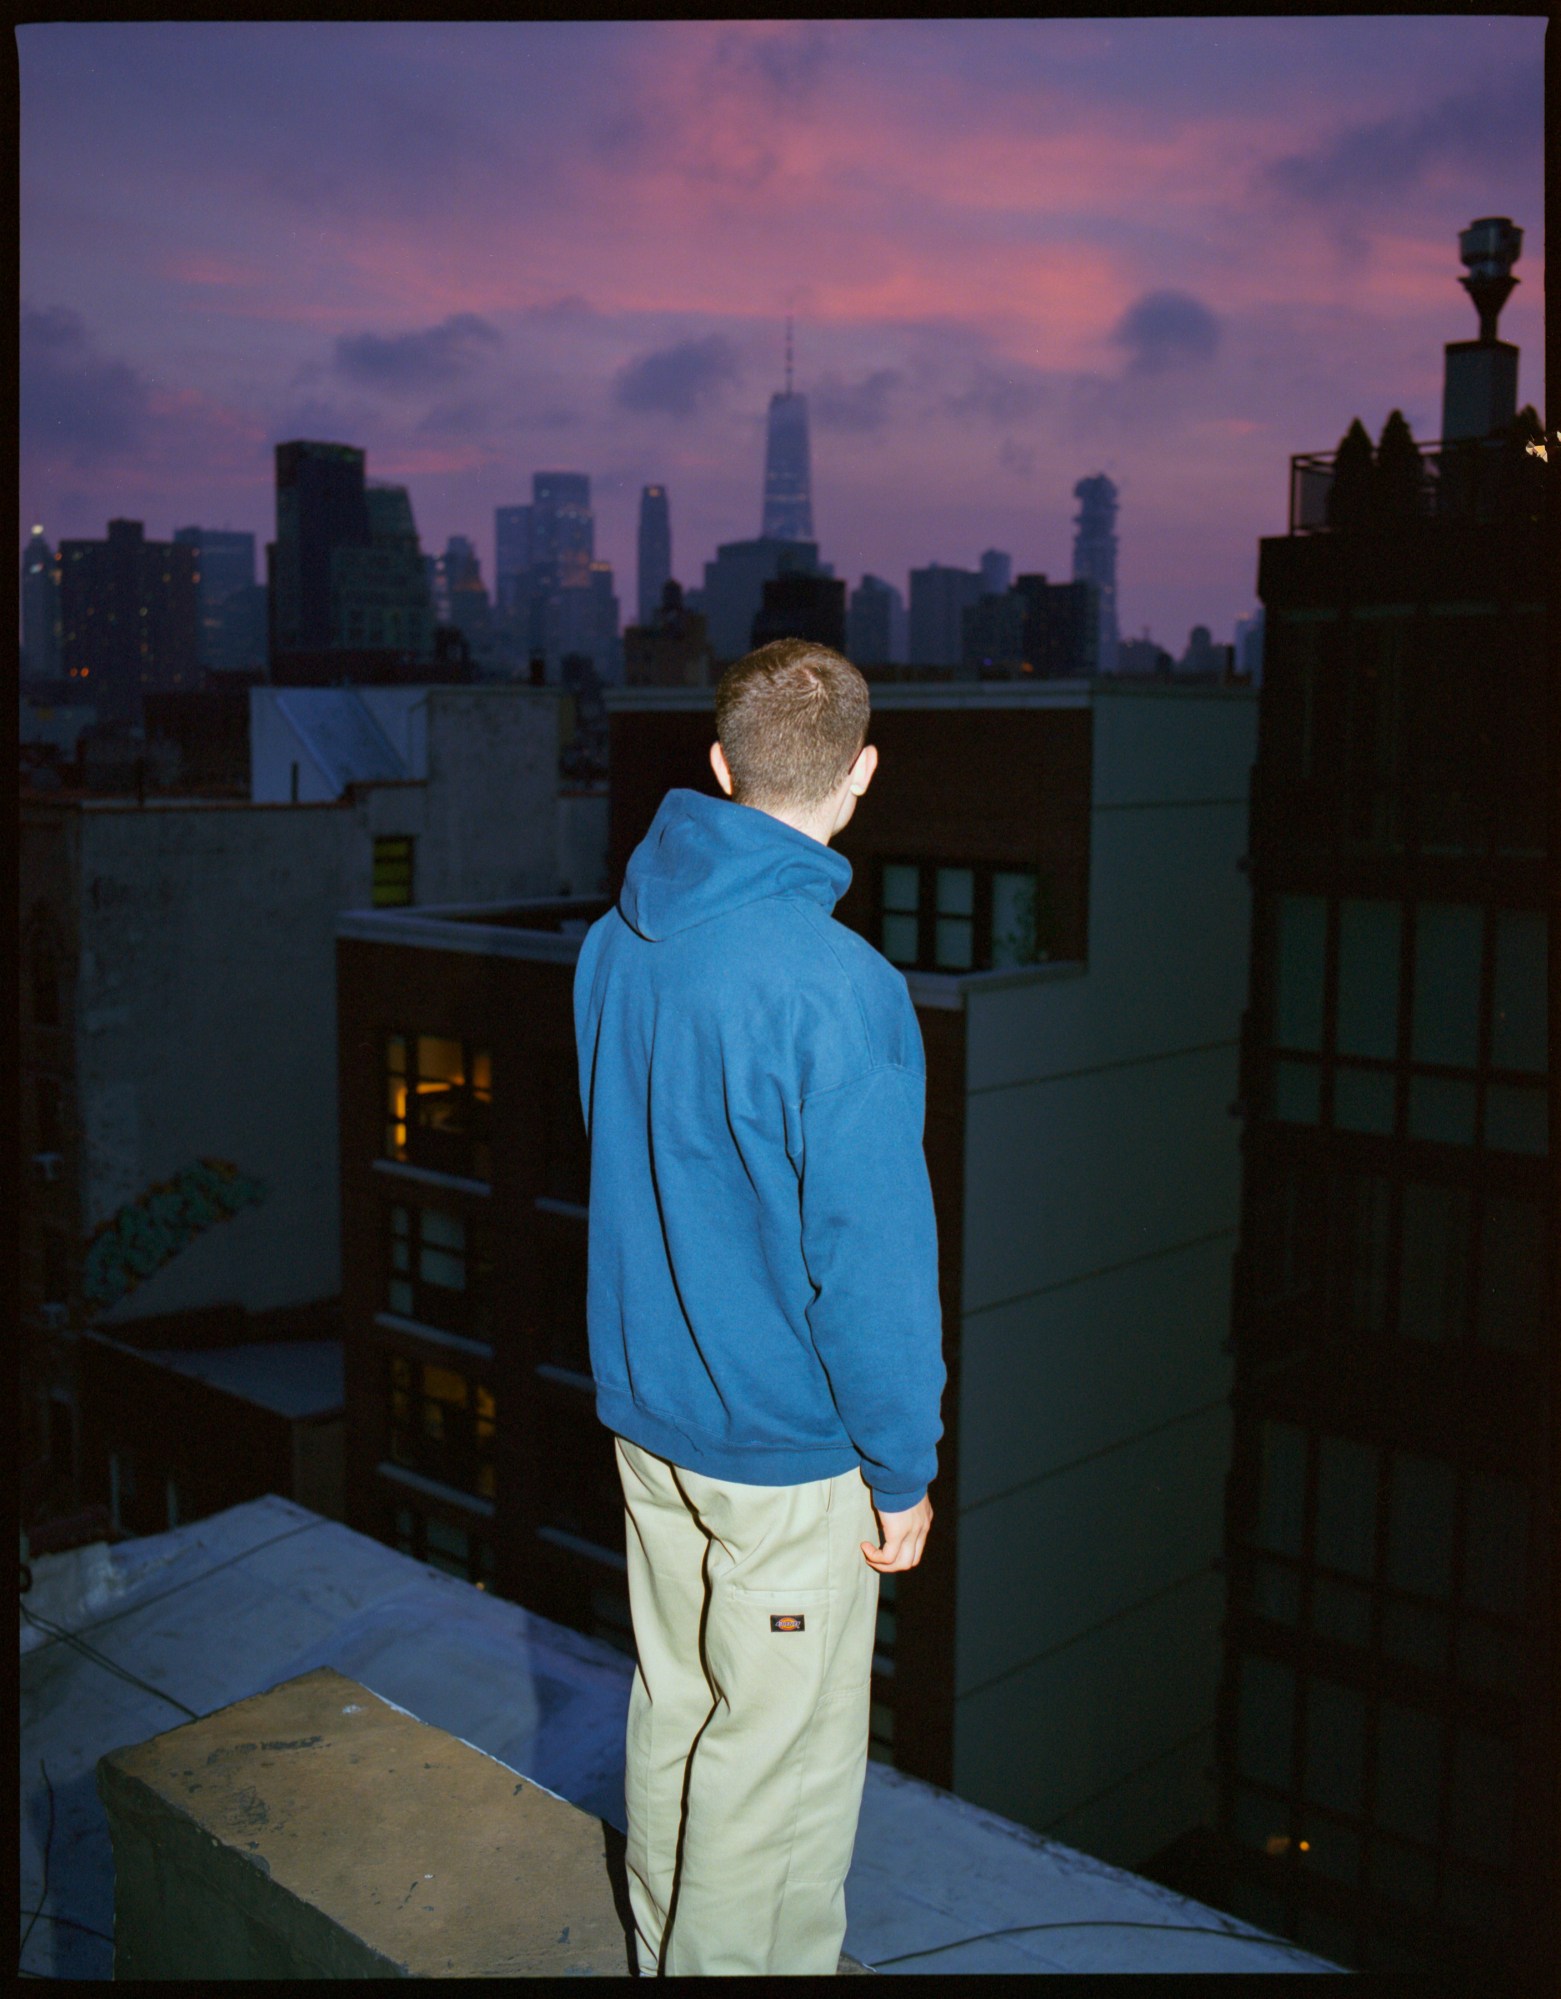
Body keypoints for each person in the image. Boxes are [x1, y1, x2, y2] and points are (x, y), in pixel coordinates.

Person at [573, 636, 946, 1977]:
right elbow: (873, 1265)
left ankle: (663, 1947)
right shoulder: (837, 987)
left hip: (648, 1414)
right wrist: (900, 1467)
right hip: (781, 1450)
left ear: (721, 766)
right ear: (860, 776)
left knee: (678, 1710)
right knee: (773, 1770)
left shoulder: (613, 948)